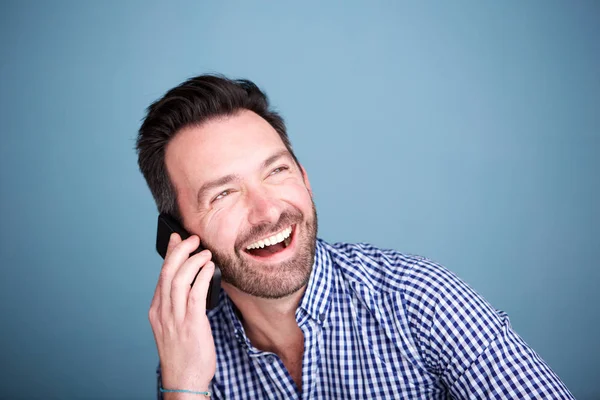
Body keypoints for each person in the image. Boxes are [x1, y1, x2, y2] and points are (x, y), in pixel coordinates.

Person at [136, 75, 574, 399]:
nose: (268, 210)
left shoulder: (421, 300)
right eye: (225, 194)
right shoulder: (190, 353)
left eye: (277, 171)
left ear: (305, 179)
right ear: (178, 235)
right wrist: (184, 389)